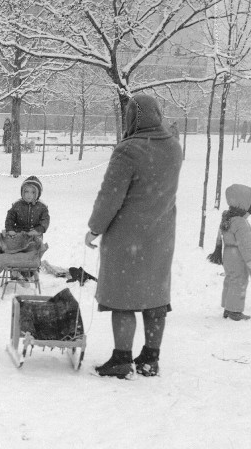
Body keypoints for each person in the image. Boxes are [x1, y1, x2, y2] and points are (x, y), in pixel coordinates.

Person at [84, 94, 182, 379]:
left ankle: (122, 359)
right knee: (155, 298)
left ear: (131, 118)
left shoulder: (128, 150)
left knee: (123, 298)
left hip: (127, 238)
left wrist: (94, 228)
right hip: (161, 236)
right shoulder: (174, 149)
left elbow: (110, 197)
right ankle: (151, 358)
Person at [208, 184, 251, 321]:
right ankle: (234, 311)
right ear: (244, 206)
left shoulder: (227, 218)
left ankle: (228, 307)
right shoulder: (241, 223)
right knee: (240, 282)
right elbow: (245, 245)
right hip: (238, 256)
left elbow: (220, 237)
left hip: (228, 255)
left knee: (230, 279)